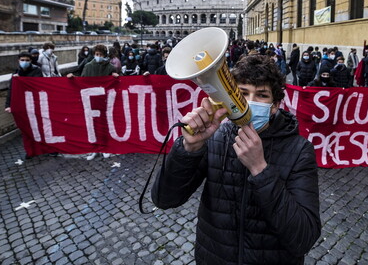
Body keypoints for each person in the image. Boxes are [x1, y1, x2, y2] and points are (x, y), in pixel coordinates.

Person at [152, 54, 321, 264]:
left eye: (261, 95)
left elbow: (304, 239)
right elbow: (164, 199)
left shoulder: (299, 150)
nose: (250, 103)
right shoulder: (216, 138)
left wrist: (261, 170)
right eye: (242, 93)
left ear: (275, 105)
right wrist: (188, 149)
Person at [67, 44, 119, 160]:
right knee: (92, 125)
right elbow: (82, 80)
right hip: (91, 100)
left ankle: (105, 147)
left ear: (104, 55)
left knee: (104, 125)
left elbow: (118, 83)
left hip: (104, 100)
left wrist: (116, 76)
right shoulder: (88, 66)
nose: (98, 56)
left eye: (100, 54)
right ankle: (94, 149)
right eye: (96, 54)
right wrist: (73, 78)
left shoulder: (110, 67)